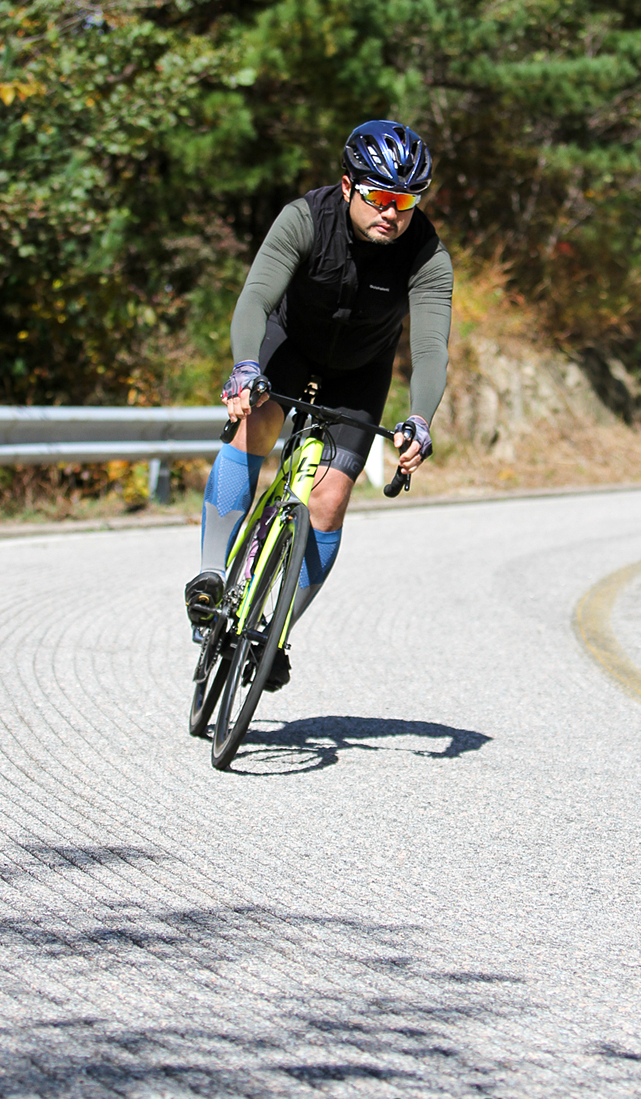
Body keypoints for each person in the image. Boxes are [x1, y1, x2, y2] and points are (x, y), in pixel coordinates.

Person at [184, 118, 453, 683]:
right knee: (254, 425)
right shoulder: (305, 217)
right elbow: (255, 297)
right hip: (290, 345)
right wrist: (245, 367)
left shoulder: (427, 255)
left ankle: (273, 634)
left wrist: (420, 420)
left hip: (360, 372)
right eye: (379, 196)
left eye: (406, 201)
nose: (392, 212)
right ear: (348, 185)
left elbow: (430, 349)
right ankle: (210, 577)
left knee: (330, 500)